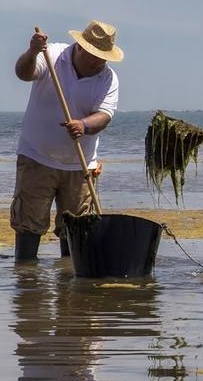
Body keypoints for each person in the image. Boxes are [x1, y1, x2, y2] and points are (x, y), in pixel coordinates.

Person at [11, 19, 122, 261]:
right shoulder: (52, 55)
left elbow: (104, 115)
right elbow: (23, 73)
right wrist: (31, 52)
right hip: (36, 157)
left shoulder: (108, 78)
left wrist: (84, 125)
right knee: (28, 225)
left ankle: (70, 288)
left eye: (102, 57)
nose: (97, 62)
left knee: (77, 231)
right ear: (79, 47)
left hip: (80, 165)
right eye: (93, 55)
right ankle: (27, 285)